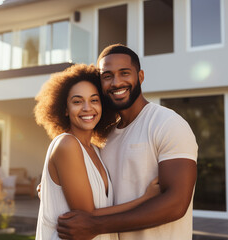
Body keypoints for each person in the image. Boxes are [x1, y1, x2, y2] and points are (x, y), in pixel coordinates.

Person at [57, 44, 198, 240]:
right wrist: (54, 187)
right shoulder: (104, 137)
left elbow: (176, 203)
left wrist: (96, 226)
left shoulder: (167, 123)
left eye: (124, 73)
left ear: (140, 76)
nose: (116, 82)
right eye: (107, 76)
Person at [33, 64, 160, 240]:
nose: (87, 108)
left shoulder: (96, 150)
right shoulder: (67, 144)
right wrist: (145, 199)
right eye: (77, 101)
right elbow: (88, 217)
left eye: (94, 100)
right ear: (64, 109)